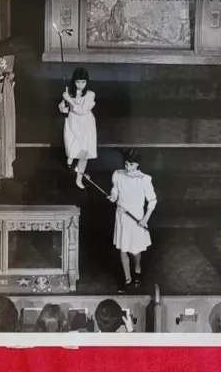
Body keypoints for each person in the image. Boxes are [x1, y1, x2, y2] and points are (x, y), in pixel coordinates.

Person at [108, 150, 157, 293]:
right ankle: (127, 279)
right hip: (122, 216)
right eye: (126, 163)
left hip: (137, 217)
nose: (128, 167)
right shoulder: (118, 174)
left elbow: (152, 201)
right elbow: (115, 191)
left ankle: (137, 269)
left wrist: (145, 219)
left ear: (137, 164)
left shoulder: (144, 179)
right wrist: (113, 196)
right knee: (123, 249)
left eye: (131, 164)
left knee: (135, 250)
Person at [59, 67, 97, 189]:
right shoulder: (70, 92)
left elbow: (82, 110)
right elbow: (65, 108)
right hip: (72, 122)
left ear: (87, 82)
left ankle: (79, 179)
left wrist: (70, 100)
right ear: (73, 81)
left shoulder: (90, 94)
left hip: (85, 124)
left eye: (83, 82)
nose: (80, 85)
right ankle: (70, 159)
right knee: (72, 146)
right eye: (77, 82)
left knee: (84, 153)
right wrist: (63, 105)